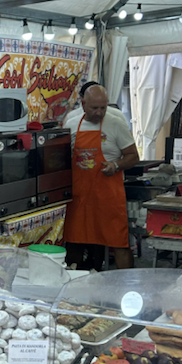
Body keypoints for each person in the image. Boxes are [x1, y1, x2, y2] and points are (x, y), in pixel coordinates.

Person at [63, 83, 140, 270]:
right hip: (79, 197)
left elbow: (133, 156)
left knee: (119, 242)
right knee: (74, 242)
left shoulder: (116, 123)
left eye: (103, 108)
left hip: (108, 197)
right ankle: (74, 286)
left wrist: (116, 165)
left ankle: (127, 287)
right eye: (94, 108)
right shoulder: (71, 123)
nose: (99, 113)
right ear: (83, 103)